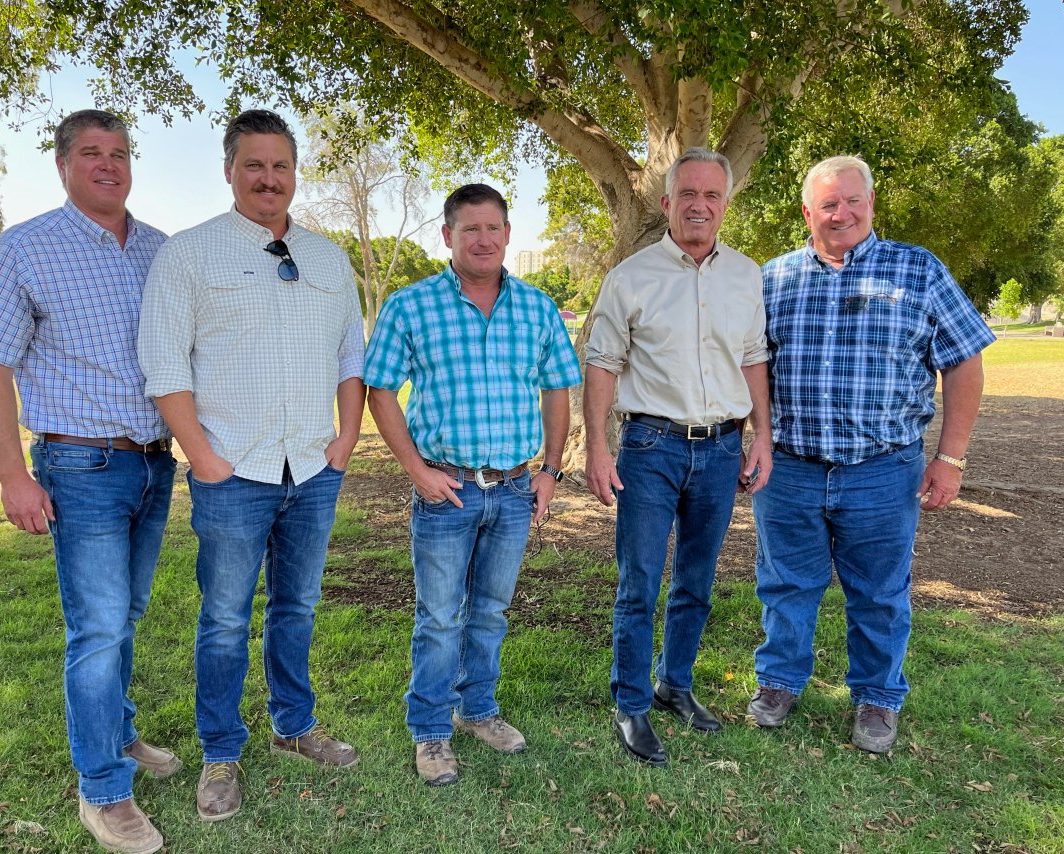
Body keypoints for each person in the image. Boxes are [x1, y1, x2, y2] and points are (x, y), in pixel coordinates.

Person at [137, 109, 365, 821]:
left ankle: (294, 727)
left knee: (296, 608)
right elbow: (165, 363)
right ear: (230, 170)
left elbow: (351, 355)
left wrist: (346, 438)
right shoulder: (189, 254)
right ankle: (221, 751)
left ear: (296, 172)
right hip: (232, 472)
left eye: (281, 166)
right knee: (226, 619)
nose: (270, 179)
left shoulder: (328, 258)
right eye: (255, 165)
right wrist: (201, 457)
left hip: (313, 468)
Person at [0, 110, 178, 854]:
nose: (109, 165)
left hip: (156, 461)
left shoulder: (160, 250)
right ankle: (104, 792)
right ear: (63, 165)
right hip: (80, 465)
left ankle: (118, 735)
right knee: (96, 627)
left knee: (127, 613)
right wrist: (12, 476)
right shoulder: (26, 248)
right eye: (92, 153)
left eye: (120, 153)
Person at [750, 155, 995, 753]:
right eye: (828, 204)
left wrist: (951, 458)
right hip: (791, 469)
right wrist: (750, 440)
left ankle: (877, 699)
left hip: (883, 469)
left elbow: (963, 360)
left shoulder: (919, 270)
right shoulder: (774, 278)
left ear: (871, 202)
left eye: (852, 200)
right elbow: (750, 365)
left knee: (881, 593)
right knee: (785, 584)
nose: (842, 214)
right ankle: (779, 682)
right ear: (807, 212)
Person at [364, 184, 582, 786]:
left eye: (493, 229)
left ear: (508, 234)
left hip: (514, 490)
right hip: (447, 490)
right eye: (470, 230)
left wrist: (551, 470)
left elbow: (557, 388)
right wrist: (415, 469)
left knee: (490, 612)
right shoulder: (411, 306)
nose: (483, 240)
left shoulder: (537, 308)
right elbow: (378, 387)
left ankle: (477, 709)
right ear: (448, 236)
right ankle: (431, 732)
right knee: (439, 617)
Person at [584, 148, 771, 768]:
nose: (699, 204)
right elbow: (603, 364)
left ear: (725, 204)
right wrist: (597, 446)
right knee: (639, 581)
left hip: (721, 449)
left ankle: (675, 683)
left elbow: (752, 360)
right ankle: (631, 702)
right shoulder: (631, 277)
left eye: (712, 195)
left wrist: (761, 436)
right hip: (650, 448)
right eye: (687, 193)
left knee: (696, 581)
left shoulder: (746, 276)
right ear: (666, 203)